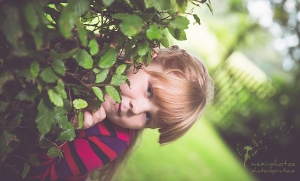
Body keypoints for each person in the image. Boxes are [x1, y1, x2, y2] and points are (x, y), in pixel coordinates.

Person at [3, 46, 214, 181]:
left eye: (148, 118)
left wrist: (63, 127)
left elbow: (32, 176)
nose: (136, 109)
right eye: (150, 91)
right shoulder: (94, 53)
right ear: (149, 56)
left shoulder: (110, 141)